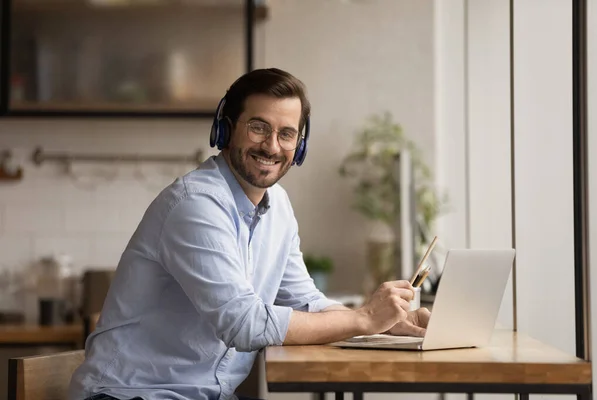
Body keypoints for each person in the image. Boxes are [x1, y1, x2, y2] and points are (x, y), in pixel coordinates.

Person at [68, 68, 431, 400]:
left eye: (286, 134)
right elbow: (243, 324)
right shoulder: (195, 204)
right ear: (225, 131)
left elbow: (305, 302)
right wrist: (363, 317)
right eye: (258, 127)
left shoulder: (279, 207)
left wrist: (386, 325)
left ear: (299, 146)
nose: (272, 146)